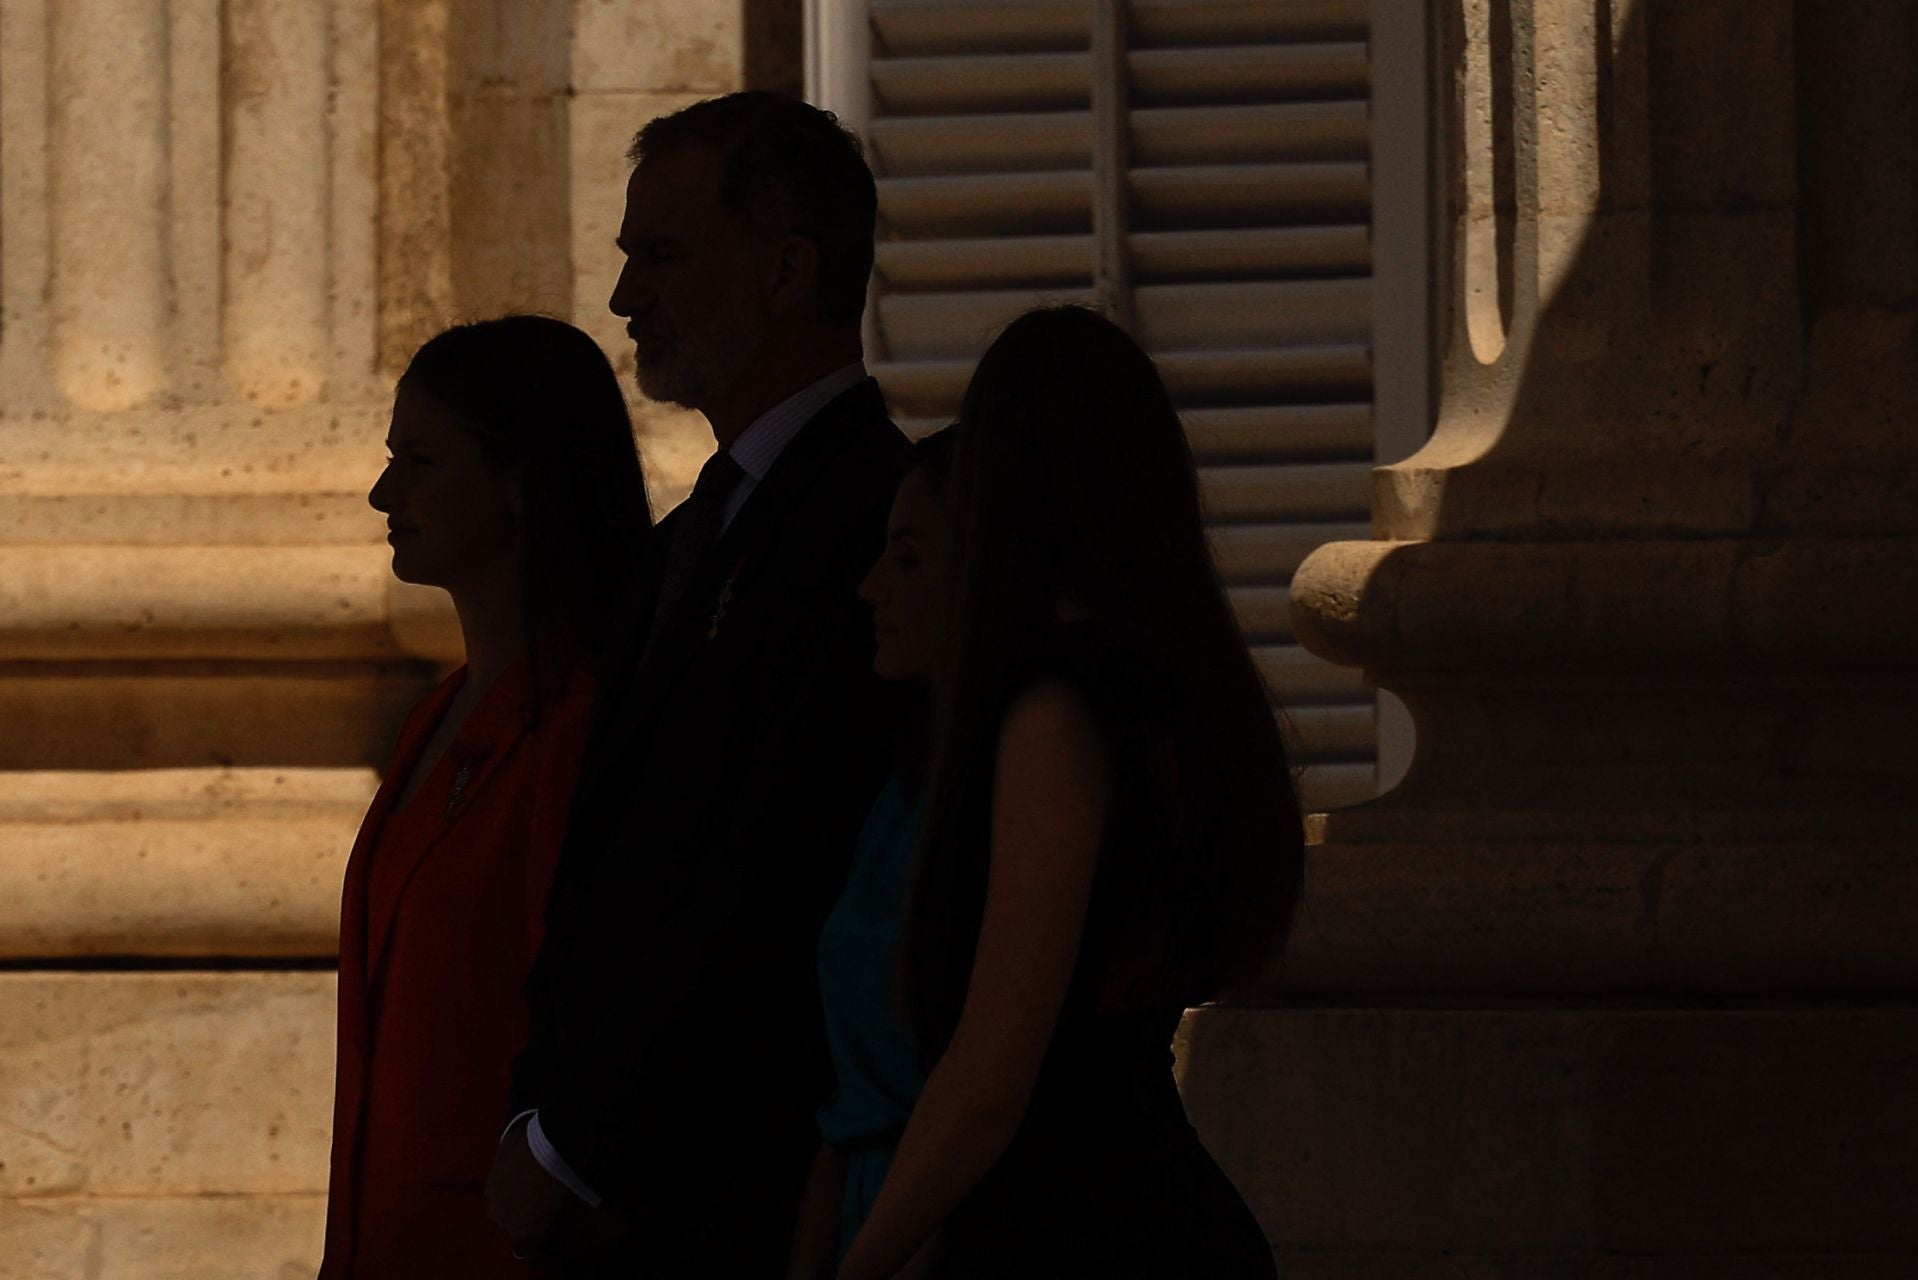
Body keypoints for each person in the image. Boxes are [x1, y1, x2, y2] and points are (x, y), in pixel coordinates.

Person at [485, 91, 912, 1275]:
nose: (627, 300)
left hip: (748, 1200)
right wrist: (537, 1119)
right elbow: (601, 876)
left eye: (663, 257)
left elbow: (772, 866)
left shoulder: (877, 524)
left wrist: (575, 1142)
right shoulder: (693, 539)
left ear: (786, 270)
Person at [834, 306, 1304, 1280]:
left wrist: (862, 1262)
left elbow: (992, 1079)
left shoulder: (1059, 711)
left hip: (1082, 1233)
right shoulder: (1174, 693)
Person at [320, 315, 652, 1279]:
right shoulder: (433, 722)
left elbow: (581, 1032)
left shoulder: (580, 731)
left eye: (421, 461)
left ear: (521, 484)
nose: (387, 493)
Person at [787, 430, 954, 1279]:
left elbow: (977, 1104)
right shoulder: (900, 791)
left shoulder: (1009, 790)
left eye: (912, 563)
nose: (871, 588)